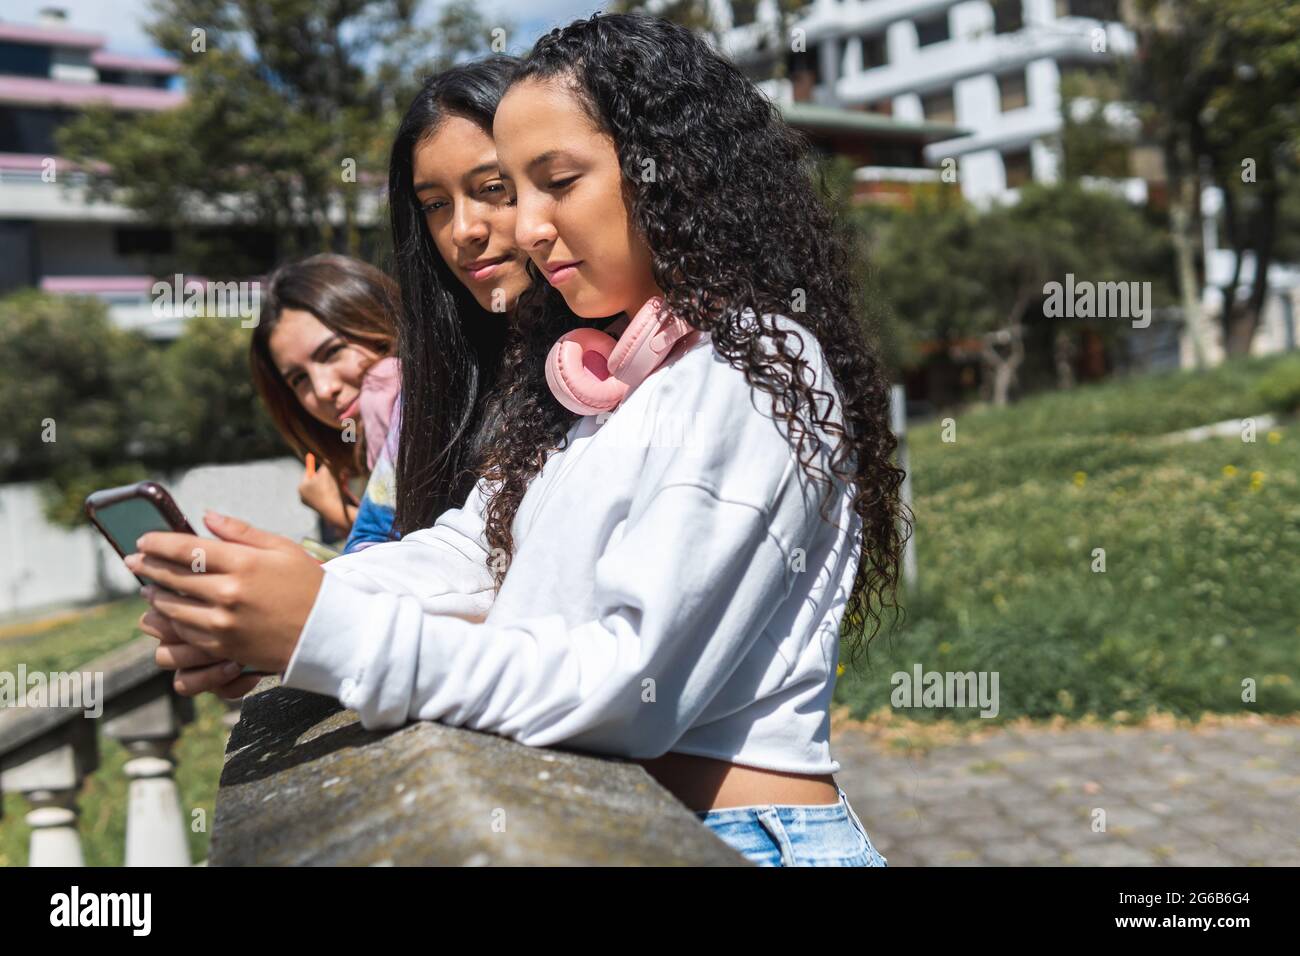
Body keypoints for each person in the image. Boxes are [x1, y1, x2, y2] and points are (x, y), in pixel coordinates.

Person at [129, 15, 908, 867]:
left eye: (556, 182)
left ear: (670, 173)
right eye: (516, 192)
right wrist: (276, 609)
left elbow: (627, 690)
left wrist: (327, 630)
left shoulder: (749, 370)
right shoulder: (598, 384)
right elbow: (470, 553)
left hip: (750, 842)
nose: (526, 228)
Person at [249, 254, 401, 550]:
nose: (322, 390)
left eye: (331, 353)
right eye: (299, 379)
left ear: (380, 324)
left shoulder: (386, 385)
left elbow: (412, 556)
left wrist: (336, 512)